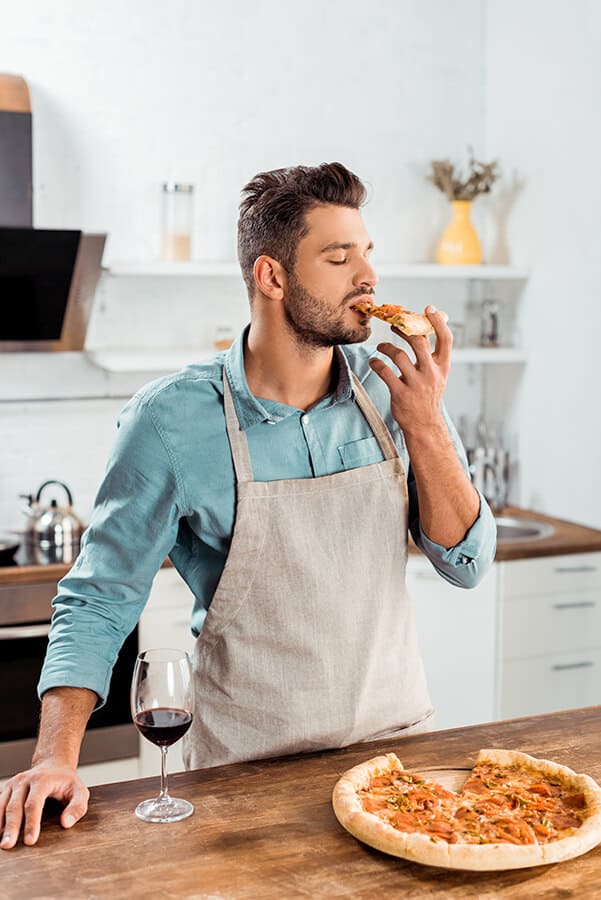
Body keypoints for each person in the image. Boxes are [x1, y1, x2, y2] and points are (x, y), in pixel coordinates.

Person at [0, 162, 496, 849]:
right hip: (246, 776)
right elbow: (99, 597)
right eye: (338, 255)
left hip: (397, 758)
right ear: (271, 277)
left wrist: (430, 427)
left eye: (367, 252)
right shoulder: (170, 421)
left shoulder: (395, 394)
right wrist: (54, 759)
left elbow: (466, 565)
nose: (368, 277)